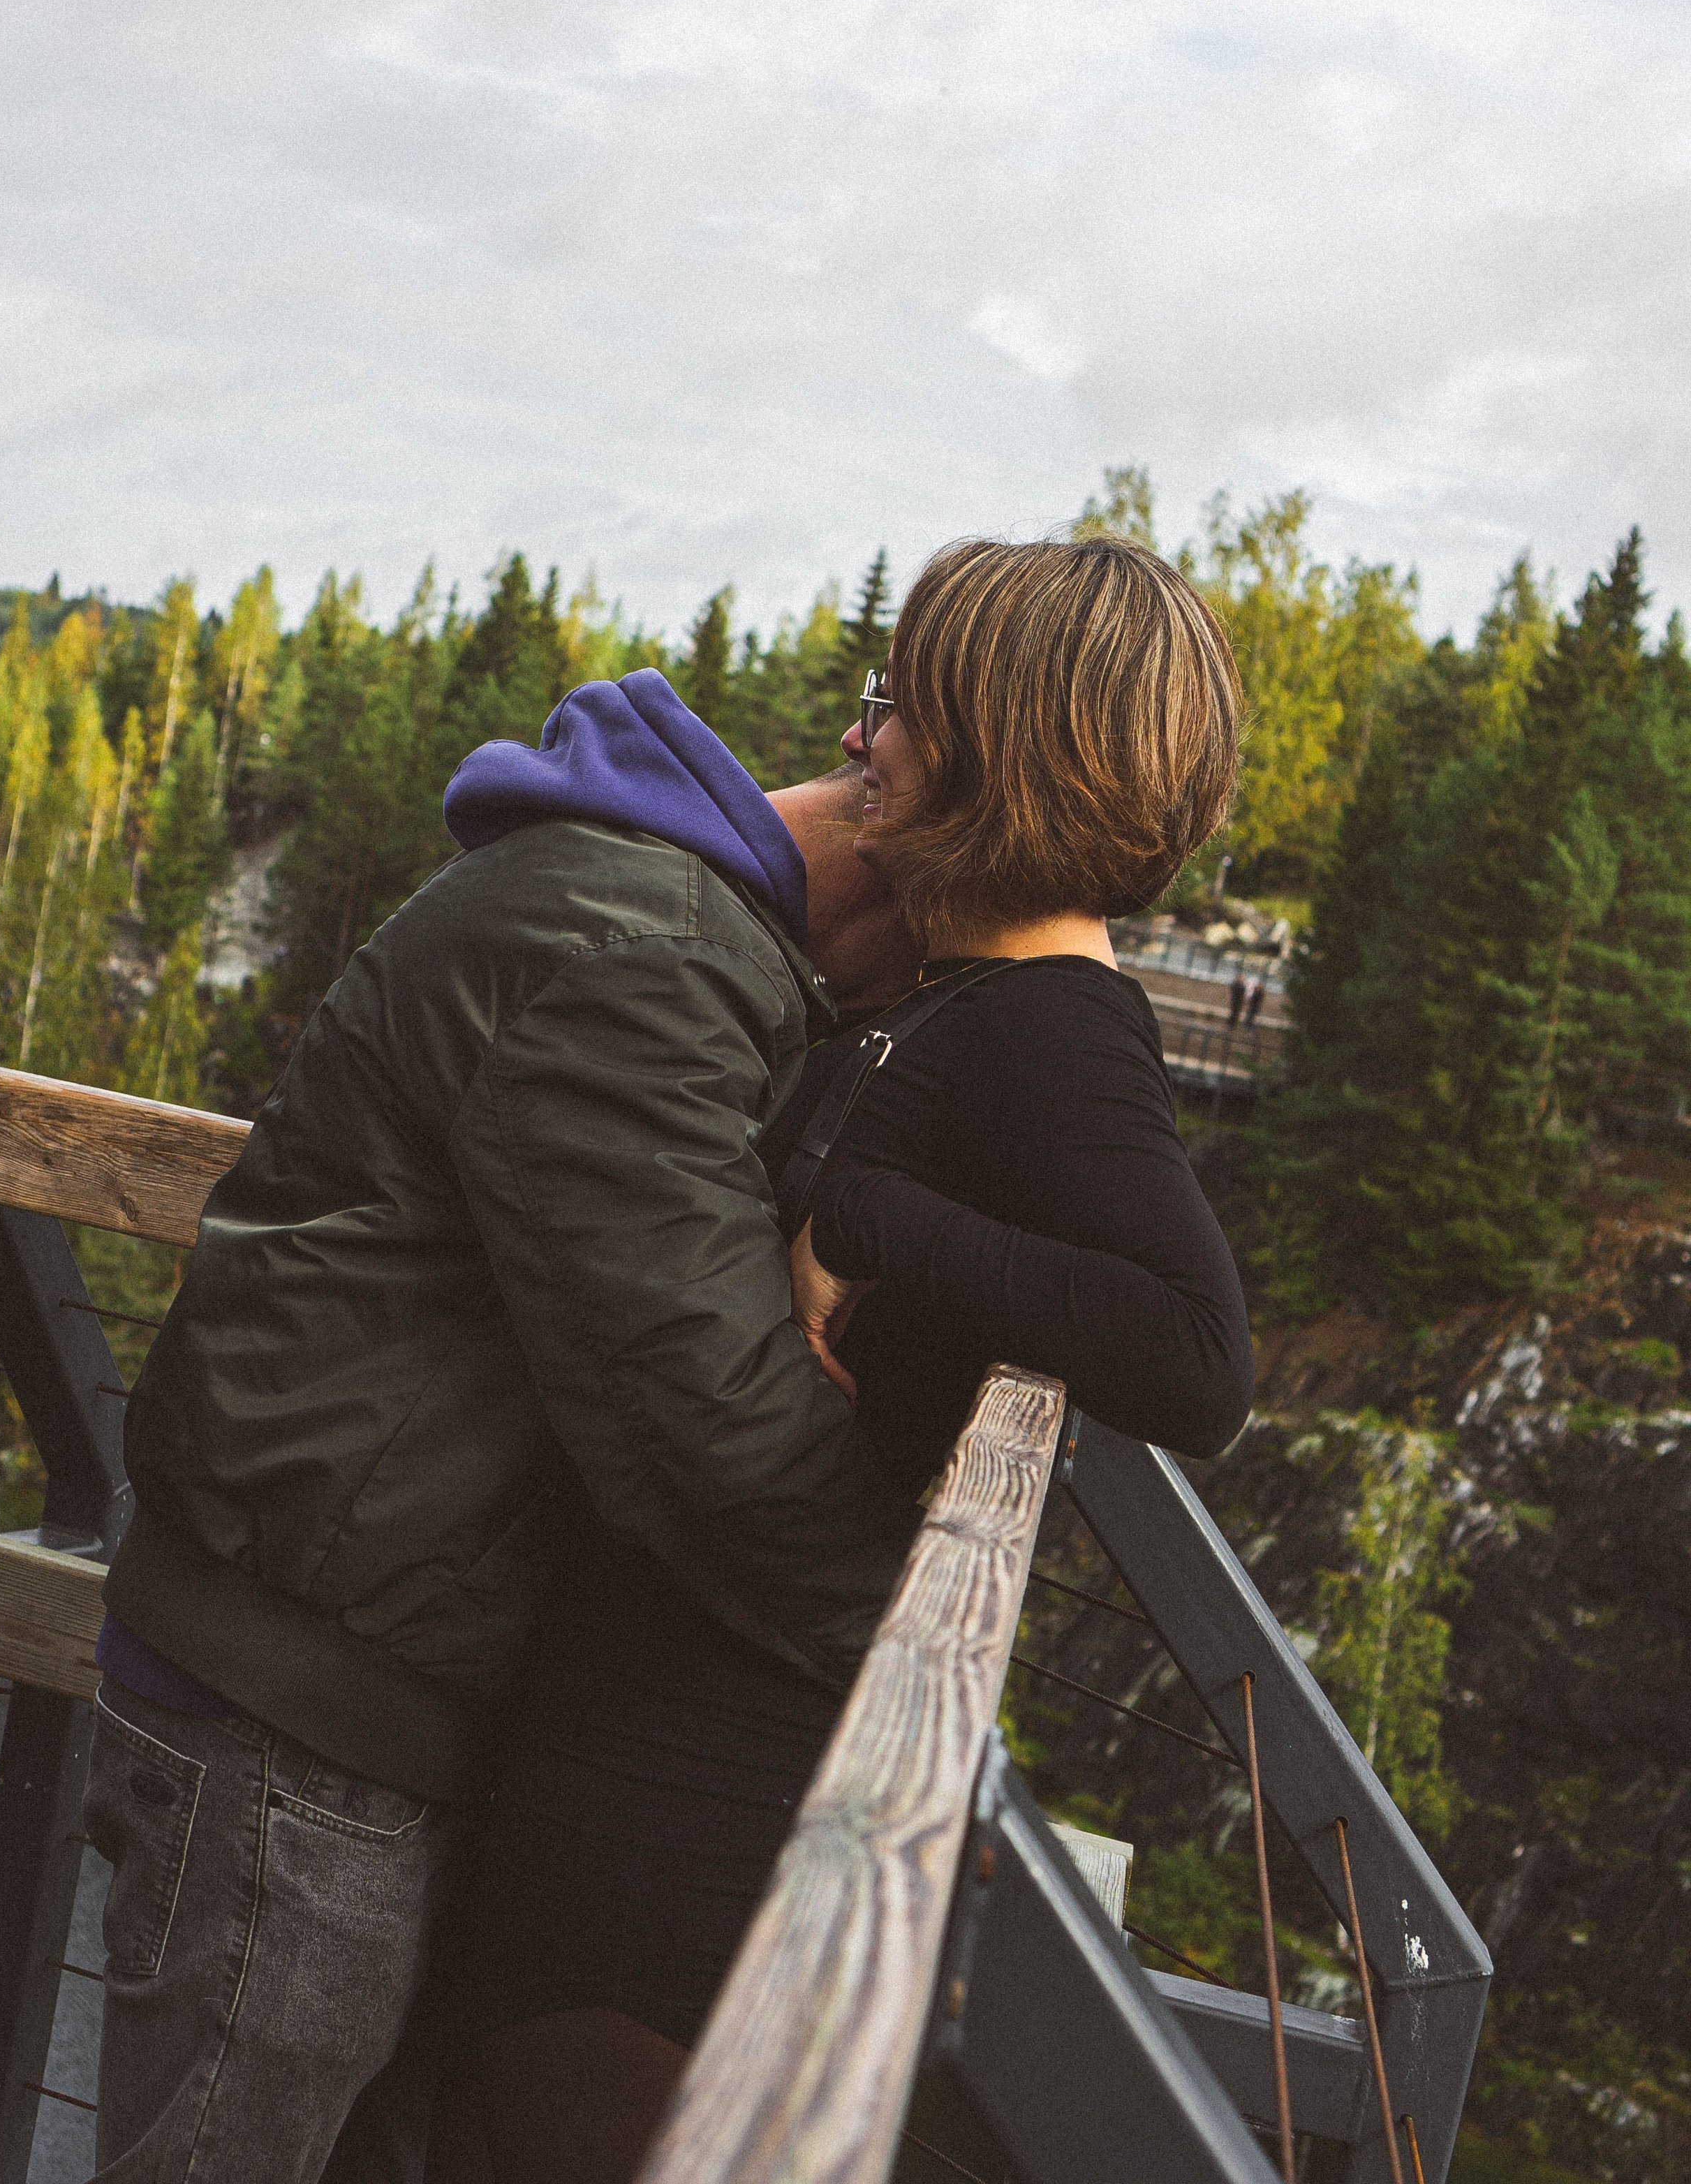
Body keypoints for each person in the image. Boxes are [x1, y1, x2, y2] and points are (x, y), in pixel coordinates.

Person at [429, 533, 1255, 2184]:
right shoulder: (959, 998)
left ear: (1002, 749)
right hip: (644, 1722)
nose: (861, 736)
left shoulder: (1052, 1026)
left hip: (693, 1794)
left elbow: (1191, 1355)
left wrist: (871, 1217)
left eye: (901, 705)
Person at [80, 666, 929, 2184]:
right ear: (910, 844)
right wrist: (913, 1653)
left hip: (334, 1666)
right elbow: (702, 1416)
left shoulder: (657, 927)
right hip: (302, 1704)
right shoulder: (638, 960)